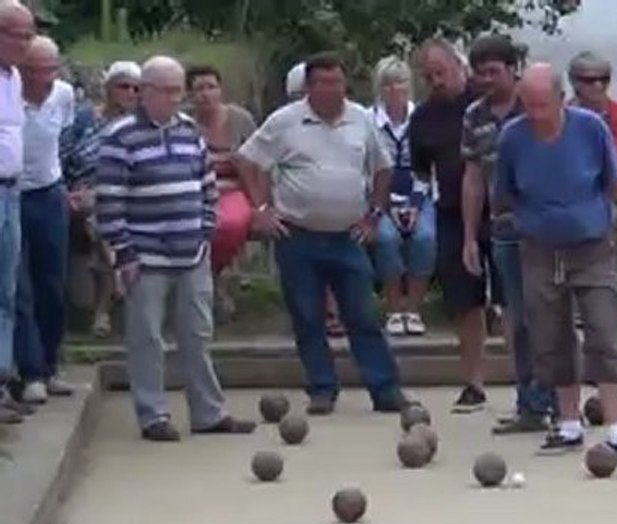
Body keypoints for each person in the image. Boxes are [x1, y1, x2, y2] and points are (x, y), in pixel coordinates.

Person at [235, 52, 406, 416]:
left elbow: (383, 168)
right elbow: (248, 160)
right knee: (307, 315)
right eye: (324, 83)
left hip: (348, 235)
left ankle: (385, 389)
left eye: (338, 82)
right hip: (298, 234)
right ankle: (322, 388)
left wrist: (375, 215)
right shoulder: (285, 121)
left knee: (362, 313)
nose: (332, 90)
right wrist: (261, 209)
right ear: (308, 87)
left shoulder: (361, 119)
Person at [96, 56, 255, 441]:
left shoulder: (189, 131)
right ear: (144, 92)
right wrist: (125, 252)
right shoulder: (119, 137)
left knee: (198, 335)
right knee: (147, 338)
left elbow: (206, 186)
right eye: (164, 91)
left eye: (176, 91)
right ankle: (153, 417)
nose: (173, 99)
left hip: (192, 252)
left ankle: (208, 413)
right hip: (145, 256)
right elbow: (110, 202)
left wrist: (205, 230)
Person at [495, 63, 617, 459]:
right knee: (551, 336)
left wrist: (604, 221)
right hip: (540, 248)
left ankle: (616, 430)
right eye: (529, 105)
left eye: (543, 104)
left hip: (592, 245)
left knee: (604, 331)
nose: (536, 113)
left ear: (562, 99)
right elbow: (504, 193)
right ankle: (568, 425)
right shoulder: (512, 138)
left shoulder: (590, 128)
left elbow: (613, 184)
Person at [461, 34, 551, 435]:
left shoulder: (536, 106)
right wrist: (468, 236)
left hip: (546, 231)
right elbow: (473, 177)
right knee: (516, 319)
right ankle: (530, 403)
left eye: (493, 72)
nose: (486, 80)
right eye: (479, 73)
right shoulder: (475, 116)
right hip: (502, 231)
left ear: (513, 69)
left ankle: (561, 399)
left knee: (550, 315)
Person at [409, 38, 495, 414]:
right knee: (464, 300)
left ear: (459, 66)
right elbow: (420, 172)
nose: (436, 81)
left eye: (441, 72)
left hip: (502, 209)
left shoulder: (486, 103)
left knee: (519, 299)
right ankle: (473, 381)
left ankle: (537, 380)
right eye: (428, 76)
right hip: (450, 213)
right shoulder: (423, 118)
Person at [60, 60, 140, 338]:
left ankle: (102, 309)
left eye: (136, 88)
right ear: (108, 88)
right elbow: (63, 157)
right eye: (123, 86)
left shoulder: (140, 125)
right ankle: (110, 296)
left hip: (128, 192)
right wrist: (68, 190)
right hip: (83, 189)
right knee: (98, 212)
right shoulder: (84, 119)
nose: (130, 93)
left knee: (104, 216)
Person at [14, 35, 74, 405]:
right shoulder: (9, 95)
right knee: (20, 288)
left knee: (53, 283)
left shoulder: (64, 95)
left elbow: (63, 141)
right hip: (12, 194)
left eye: (51, 69)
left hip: (50, 192)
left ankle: (51, 366)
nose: (45, 78)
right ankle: (31, 371)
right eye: (36, 70)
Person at [369, 55, 435, 337]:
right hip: (379, 196)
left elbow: (428, 167)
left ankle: (414, 309)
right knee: (385, 237)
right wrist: (385, 206)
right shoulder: (367, 120)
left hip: (419, 192)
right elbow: (367, 167)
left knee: (425, 237)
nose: (394, 90)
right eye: (387, 84)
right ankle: (394, 308)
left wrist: (416, 205)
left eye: (400, 83)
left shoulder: (422, 118)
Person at [186, 64, 257, 319]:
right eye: (199, 89)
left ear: (221, 90)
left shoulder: (240, 119)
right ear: (189, 95)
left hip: (235, 189)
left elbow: (255, 161)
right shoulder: (184, 125)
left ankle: (213, 278)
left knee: (230, 223)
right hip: (196, 192)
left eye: (211, 87)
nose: (206, 94)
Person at [284, 59, 343, 337]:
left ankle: (334, 311)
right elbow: (254, 162)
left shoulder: (353, 120)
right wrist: (264, 207)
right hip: (296, 219)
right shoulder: (282, 123)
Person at [0, 0, 33, 425]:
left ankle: (2, 383)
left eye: (29, 35)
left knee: (6, 293)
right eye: (17, 35)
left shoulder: (15, 78)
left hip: (12, 192)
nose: (26, 43)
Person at [567, 50, 617, 202]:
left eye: (604, 79)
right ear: (574, 81)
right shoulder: (562, 115)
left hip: (610, 190)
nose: (598, 85)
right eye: (590, 80)